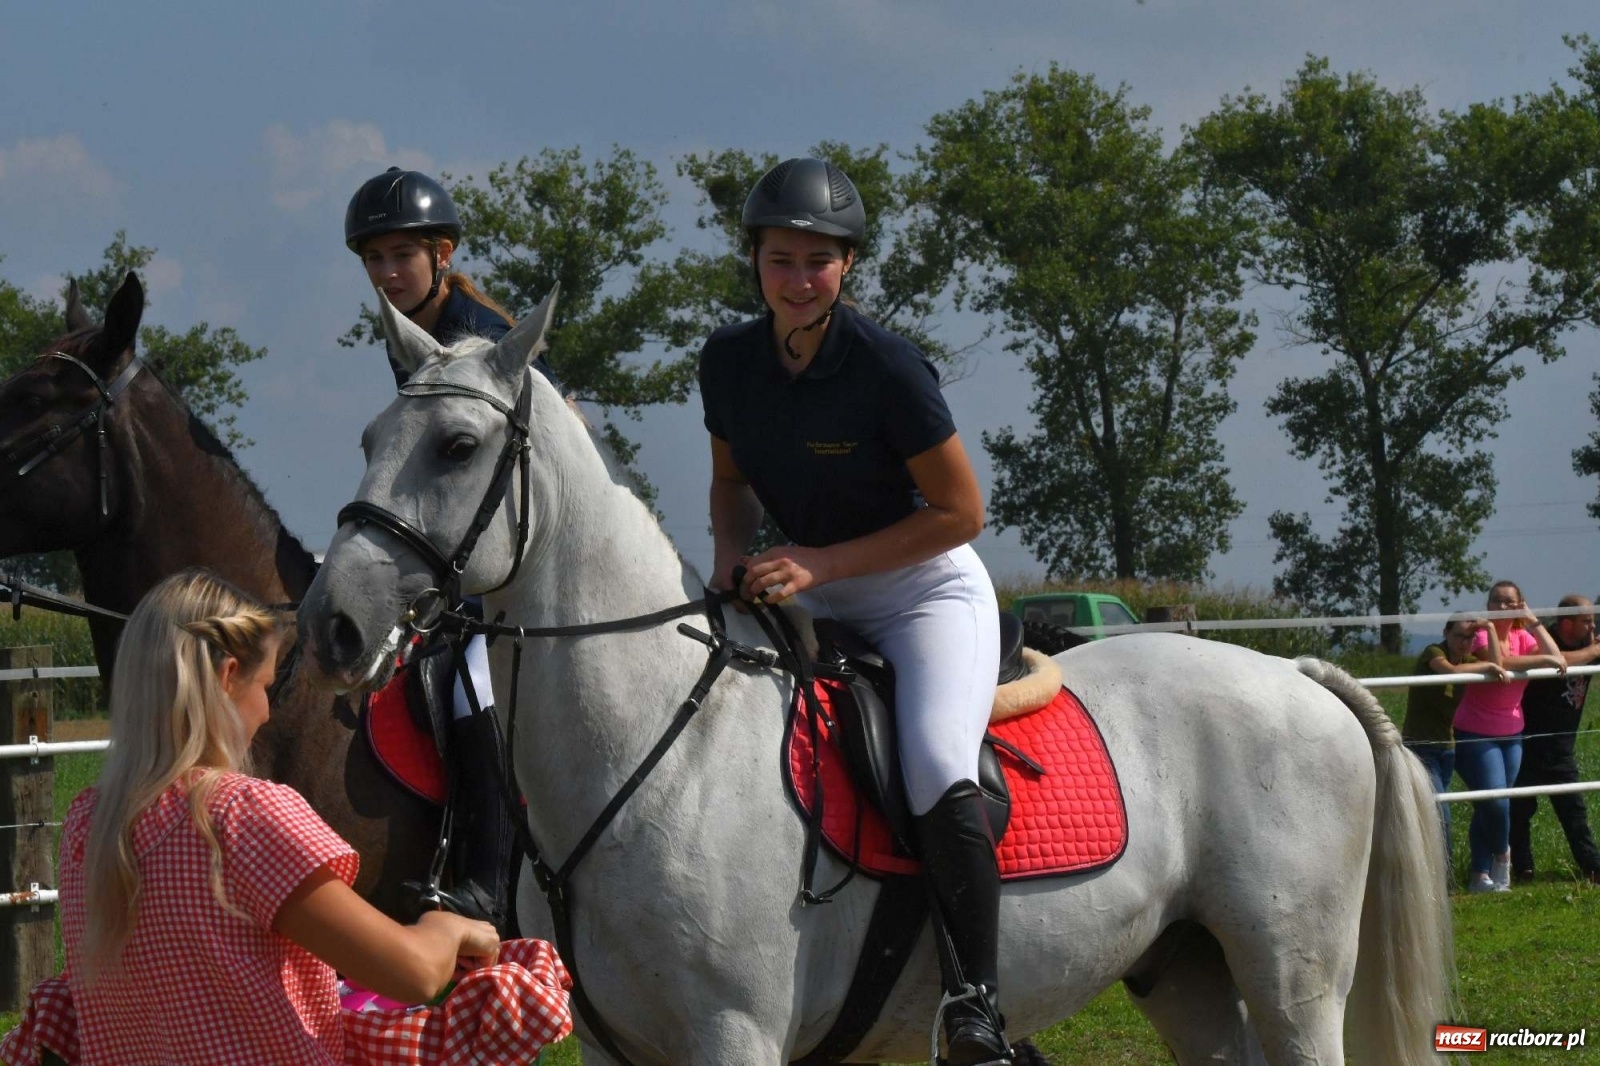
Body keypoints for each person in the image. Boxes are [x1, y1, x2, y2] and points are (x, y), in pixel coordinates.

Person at [698, 157, 1011, 1066]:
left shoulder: (886, 364)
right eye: (782, 260)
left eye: (819, 263)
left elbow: (962, 514)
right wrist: (728, 555)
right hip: (804, 583)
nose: (799, 280)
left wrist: (823, 562)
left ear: (848, 267)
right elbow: (729, 486)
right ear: (753, 261)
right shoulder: (726, 360)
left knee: (932, 766)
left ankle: (975, 1006)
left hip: (923, 589)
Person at [0, 569, 571, 1066]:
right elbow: (414, 973)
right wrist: (449, 927)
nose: (267, 711)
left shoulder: (88, 826)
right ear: (227, 676)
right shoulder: (243, 815)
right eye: (266, 686)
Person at [344, 167, 559, 931]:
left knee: (470, 681)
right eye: (373, 260)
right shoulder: (410, 341)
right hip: (459, 561)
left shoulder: (485, 340)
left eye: (401, 255)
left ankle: (489, 880)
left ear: (443, 253)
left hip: (519, 564)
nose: (386, 273)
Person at [1451, 580, 1566, 893]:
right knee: (1497, 803)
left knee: (1488, 806)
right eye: (1495, 601)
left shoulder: (1522, 635)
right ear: (1487, 606)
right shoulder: (1477, 636)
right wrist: (1543, 660)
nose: (1501, 608)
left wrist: (1532, 620)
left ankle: (1479, 876)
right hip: (1475, 733)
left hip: (1512, 733)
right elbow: (1501, 664)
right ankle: (1503, 856)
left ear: (1518, 605)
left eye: (1508, 602)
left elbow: (1557, 655)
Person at [1510, 594, 1600, 885]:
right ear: (1566, 622)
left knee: (1573, 810)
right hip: (1528, 741)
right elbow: (1557, 662)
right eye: (1586, 620)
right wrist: (1593, 652)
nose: (1592, 625)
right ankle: (1522, 869)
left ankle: (1592, 867)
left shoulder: (1591, 643)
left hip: (1562, 747)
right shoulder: (1544, 639)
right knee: (1520, 810)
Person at [1403, 616, 1509, 855]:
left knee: (1437, 809)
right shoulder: (1433, 652)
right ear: (1446, 633)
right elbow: (1449, 671)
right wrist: (1488, 666)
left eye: (1470, 637)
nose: (1465, 642)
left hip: (1447, 747)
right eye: (1459, 636)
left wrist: (1490, 628)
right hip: (1421, 745)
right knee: (1440, 812)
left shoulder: (1468, 660)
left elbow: (1497, 663)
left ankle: (1439, 869)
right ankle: (1446, 873)